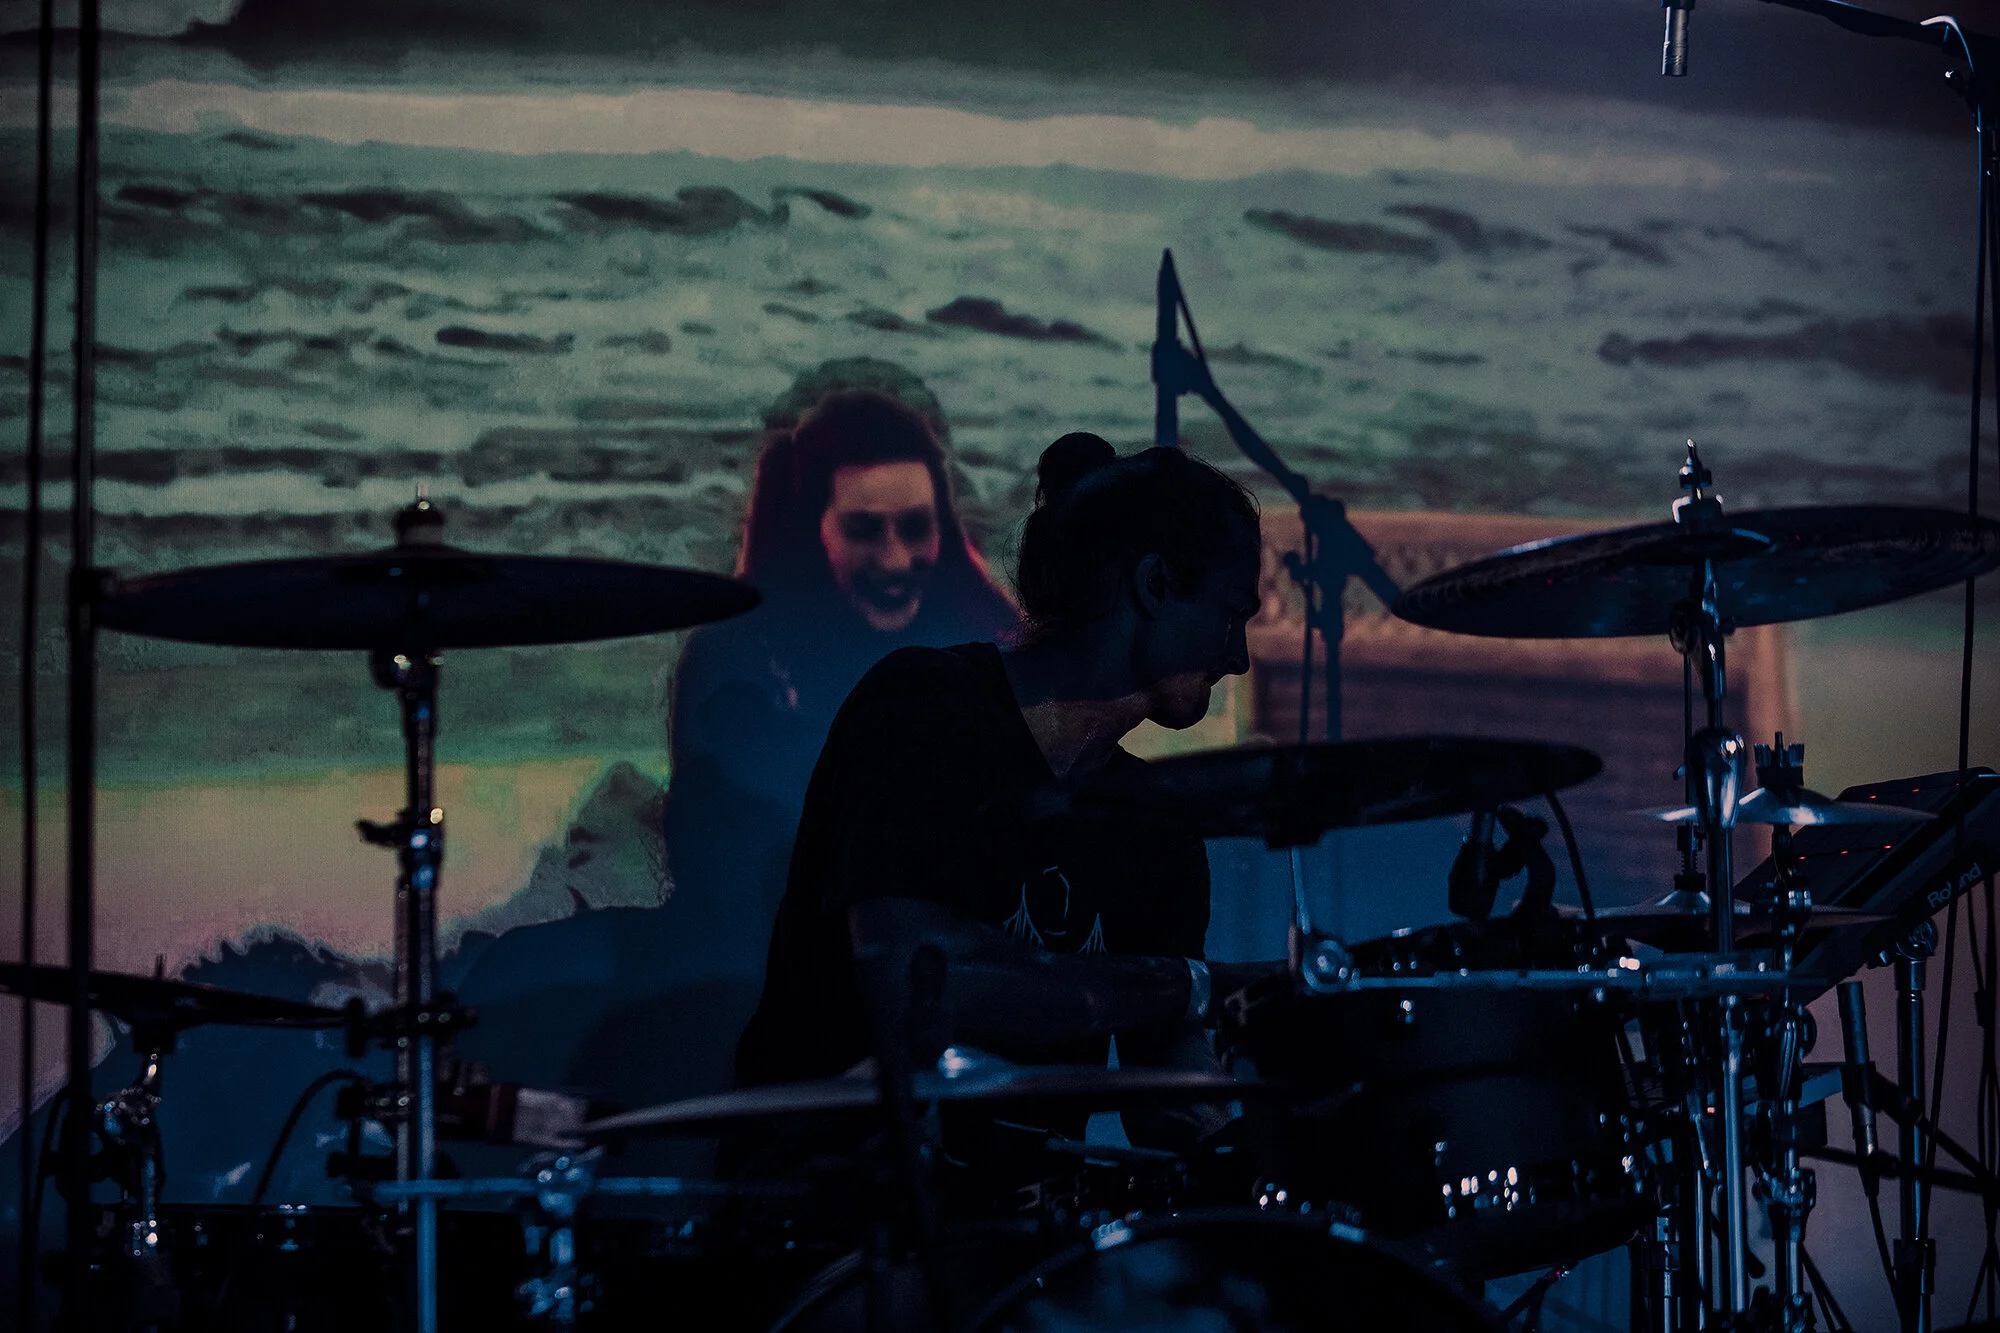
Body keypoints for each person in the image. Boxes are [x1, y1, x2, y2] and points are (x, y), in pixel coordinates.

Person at [735, 433, 1278, 1153]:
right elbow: (918, 981)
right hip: (839, 1196)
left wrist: (1262, 1135)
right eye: (1231, 613)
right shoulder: (925, 709)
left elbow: (1167, 1094)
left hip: (1034, 1215)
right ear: (1153, 585)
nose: (1238, 657)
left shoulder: (1158, 826)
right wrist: (1191, 985)